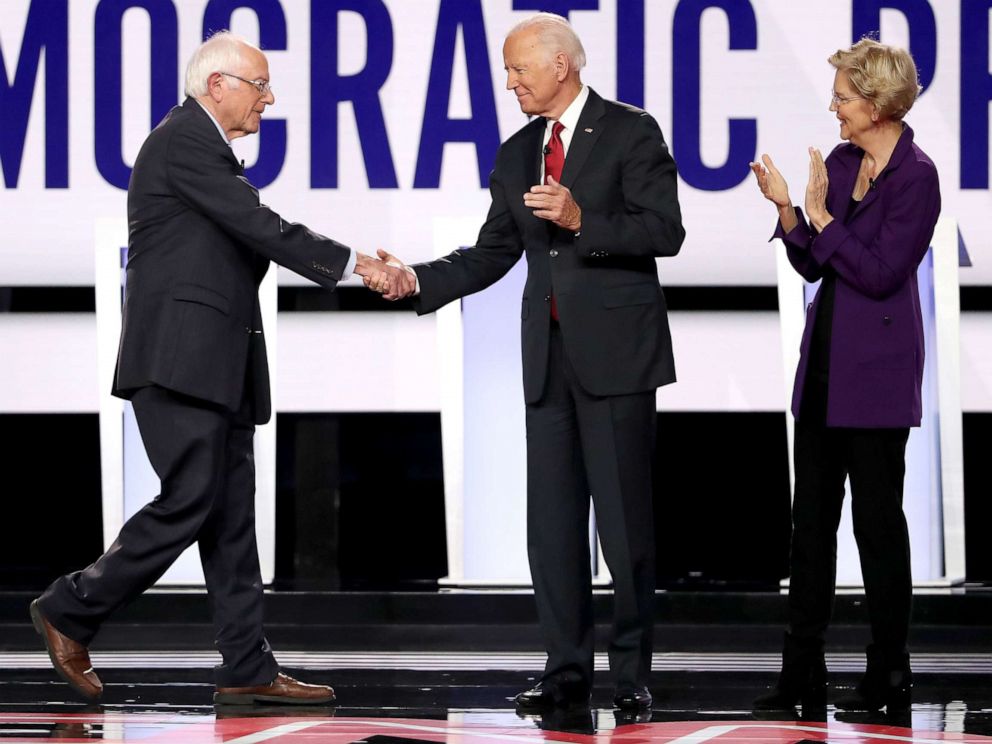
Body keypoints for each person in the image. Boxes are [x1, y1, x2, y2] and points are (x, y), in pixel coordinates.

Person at [30, 31, 413, 705]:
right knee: (192, 499)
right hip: (179, 363)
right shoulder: (183, 142)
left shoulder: (210, 154)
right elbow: (263, 227)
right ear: (217, 85)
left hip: (220, 367)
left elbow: (243, 238)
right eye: (259, 85)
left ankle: (247, 666)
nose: (269, 99)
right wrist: (360, 265)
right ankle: (70, 607)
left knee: (231, 517)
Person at [369, 12, 684, 711]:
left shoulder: (632, 131)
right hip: (548, 363)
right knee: (554, 526)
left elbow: (666, 231)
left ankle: (631, 675)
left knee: (625, 526)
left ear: (561, 67)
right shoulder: (516, 154)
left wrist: (582, 223)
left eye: (518, 70)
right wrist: (416, 279)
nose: (508, 82)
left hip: (617, 359)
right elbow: (490, 254)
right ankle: (566, 669)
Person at [750, 39, 940, 712]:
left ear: (878, 103)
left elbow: (883, 273)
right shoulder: (839, 160)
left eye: (843, 97)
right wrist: (788, 213)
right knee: (810, 529)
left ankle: (888, 670)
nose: (833, 106)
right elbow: (817, 265)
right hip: (826, 368)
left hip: (880, 378)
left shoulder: (917, 178)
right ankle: (800, 672)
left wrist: (823, 220)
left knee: (878, 528)